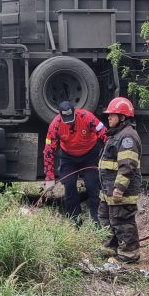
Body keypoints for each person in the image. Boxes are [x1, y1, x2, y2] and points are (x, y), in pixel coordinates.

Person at [43, 100, 107, 224]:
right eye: (66, 119)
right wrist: (49, 176)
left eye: (71, 118)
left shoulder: (86, 117)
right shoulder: (55, 125)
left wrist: (110, 154)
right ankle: (75, 220)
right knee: (70, 186)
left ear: (74, 112)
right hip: (68, 157)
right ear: (60, 115)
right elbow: (48, 150)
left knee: (92, 185)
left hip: (89, 154)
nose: (70, 121)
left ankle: (98, 221)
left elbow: (104, 133)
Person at [97, 97, 142, 263]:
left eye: (112, 115)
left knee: (122, 221)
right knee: (106, 219)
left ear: (122, 117)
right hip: (108, 190)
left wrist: (119, 188)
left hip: (121, 191)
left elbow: (128, 165)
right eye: (109, 115)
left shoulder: (127, 137)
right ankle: (110, 250)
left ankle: (129, 253)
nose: (108, 118)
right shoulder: (116, 135)